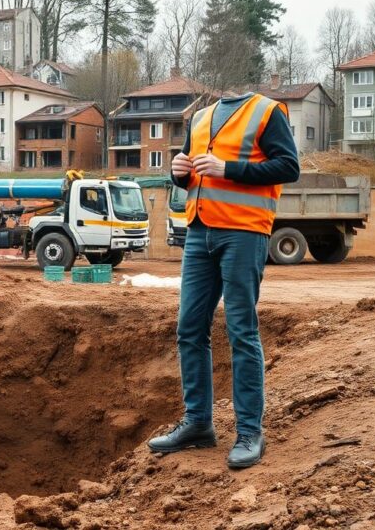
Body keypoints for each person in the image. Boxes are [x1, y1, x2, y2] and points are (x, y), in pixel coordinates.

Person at [147, 91, 299, 469]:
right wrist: (178, 174)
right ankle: (198, 422)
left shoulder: (266, 111)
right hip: (199, 230)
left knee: (240, 329)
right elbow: (194, 176)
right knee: (189, 327)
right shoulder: (200, 117)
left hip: (244, 231)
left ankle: (250, 431)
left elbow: (288, 167)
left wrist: (228, 168)